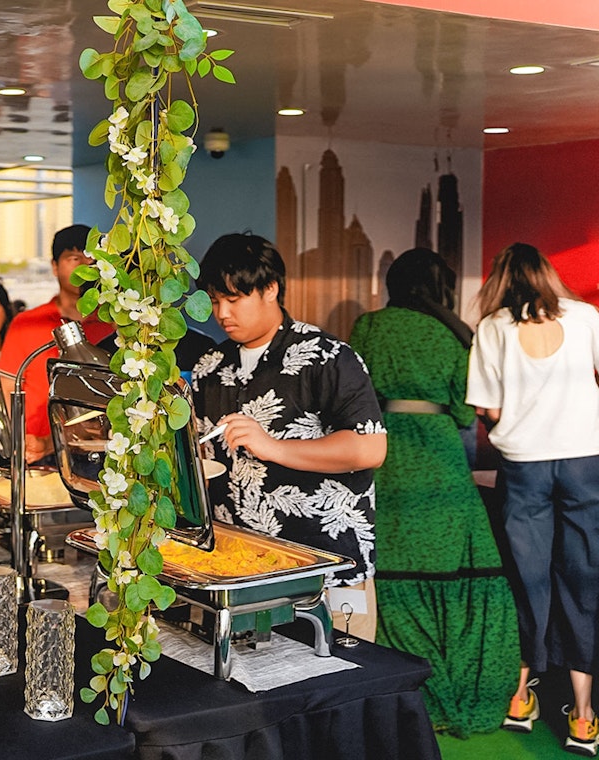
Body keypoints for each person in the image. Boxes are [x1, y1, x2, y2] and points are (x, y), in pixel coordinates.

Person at [350, 247, 520, 737]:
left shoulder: (369, 326)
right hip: (443, 457)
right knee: (458, 567)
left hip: (388, 455)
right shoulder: (455, 333)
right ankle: (470, 684)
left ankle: (413, 689)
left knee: (395, 565)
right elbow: (468, 413)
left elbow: (356, 395)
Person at [188, 233, 387, 640]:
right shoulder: (209, 367)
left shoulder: (327, 356)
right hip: (240, 569)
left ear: (271, 289)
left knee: (336, 685)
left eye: (234, 299)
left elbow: (369, 447)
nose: (222, 313)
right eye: (214, 300)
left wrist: (273, 447)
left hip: (326, 568)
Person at [466, 242, 599, 755]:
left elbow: (490, 411)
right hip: (586, 462)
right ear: (547, 275)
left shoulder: (493, 328)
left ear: (500, 280)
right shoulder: (586, 317)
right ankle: (584, 716)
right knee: (583, 579)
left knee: (529, 579)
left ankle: (521, 697)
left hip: (523, 467)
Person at [0, 225, 114, 463]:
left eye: (91, 257)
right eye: (74, 258)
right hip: (39, 454)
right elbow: (6, 389)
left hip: (104, 454)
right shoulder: (27, 323)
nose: (84, 265)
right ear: (54, 266)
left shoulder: (115, 324)